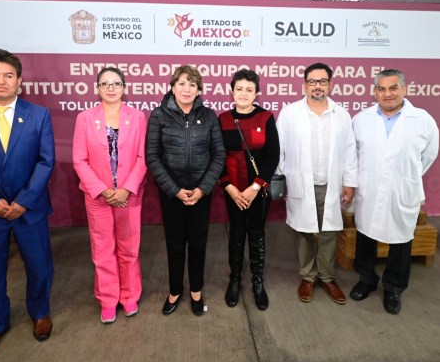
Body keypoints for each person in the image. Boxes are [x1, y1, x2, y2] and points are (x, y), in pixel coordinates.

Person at [350, 69, 439, 314]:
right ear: (374, 92)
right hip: (369, 189)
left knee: (401, 240)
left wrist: (405, 175)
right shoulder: (361, 119)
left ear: (404, 89)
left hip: (402, 189)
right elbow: (353, 154)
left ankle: (394, 288)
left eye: (393, 88)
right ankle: (366, 279)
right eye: (381, 89)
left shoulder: (423, 120)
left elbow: (428, 155)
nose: (387, 94)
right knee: (365, 235)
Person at [0, 48, 55, 356]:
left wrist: (25, 200)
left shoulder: (38, 115)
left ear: (19, 81)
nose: (0, 81)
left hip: (30, 208)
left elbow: (46, 161)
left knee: (39, 265)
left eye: (8, 75)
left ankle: (40, 312)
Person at [146, 65, 225, 316]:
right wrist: (175, 190)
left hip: (201, 193)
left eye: (192, 84)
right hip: (172, 193)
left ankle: (196, 291)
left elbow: (218, 155)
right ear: (172, 87)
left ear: (199, 90)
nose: (187, 89)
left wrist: (203, 188)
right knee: (175, 244)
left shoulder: (209, 116)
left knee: (199, 244)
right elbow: (152, 156)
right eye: (181, 83)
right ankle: (175, 290)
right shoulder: (159, 115)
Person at [276, 62, 357, 305]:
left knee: (329, 231)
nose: (317, 86)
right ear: (305, 85)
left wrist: (350, 182)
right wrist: (283, 180)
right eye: (312, 81)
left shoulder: (341, 114)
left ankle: (327, 277)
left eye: (322, 81)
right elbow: (279, 150)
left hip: (330, 184)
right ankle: (308, 277)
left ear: (330, 84)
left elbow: (349, 150)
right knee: (303, 231)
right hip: (301, 183)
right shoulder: (290, 113)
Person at [73, 67, 147, 324]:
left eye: (116, 83)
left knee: (129, 248)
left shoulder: (137, 117)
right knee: (102, 251)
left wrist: (126, 188)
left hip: (129, 195)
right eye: (105, 83)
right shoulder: (85, 118)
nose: (111, 88)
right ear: (97, 88)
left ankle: (129, 296)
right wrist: (103, 190)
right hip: (97, 197)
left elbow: (143, 158)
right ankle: (107, 299)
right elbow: (79, 160)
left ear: (124, 88)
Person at [218, 69, 280, 311]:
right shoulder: (222, 119)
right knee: (236, 234)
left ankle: (257, 281)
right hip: (233, 190)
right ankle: (234, 279)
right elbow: (217, 156)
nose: (243, 94)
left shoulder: (266, 117)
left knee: (256, 234)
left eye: (249, 89)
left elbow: (273, 155)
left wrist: (256, 186)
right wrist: (229, 187)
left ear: (256, 93)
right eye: (239, 89)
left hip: (258, 191)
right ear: (232, 91)